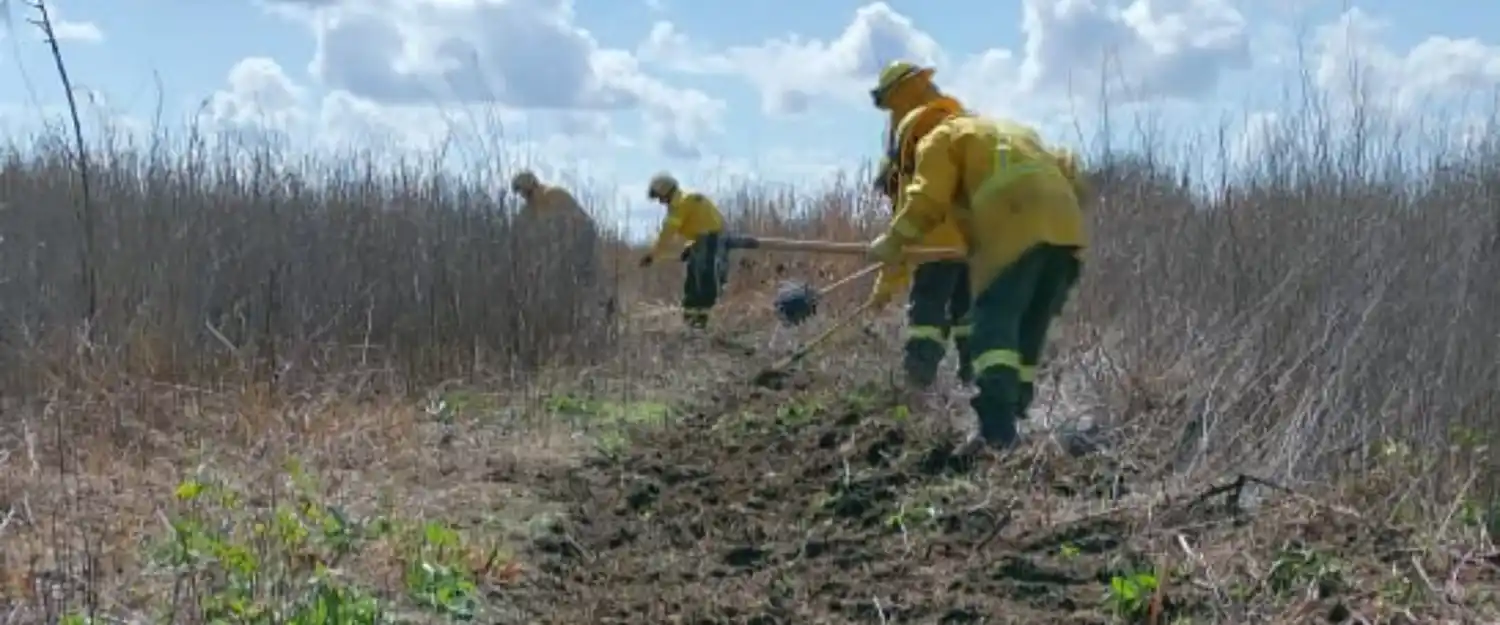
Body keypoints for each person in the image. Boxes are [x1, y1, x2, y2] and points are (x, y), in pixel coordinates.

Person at [866, 105, 1090, 453]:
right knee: (1029, 324)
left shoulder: (940, 138)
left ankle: (996, 433)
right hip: (1066, 228)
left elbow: (927, 197)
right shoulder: (1015, 131)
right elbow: (1073, 172)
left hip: (1017, 220)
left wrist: (894, 240)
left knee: (992, 320)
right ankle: (1015, 418)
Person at [868, 156, 974, 388]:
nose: (889, 198)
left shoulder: (910, 191)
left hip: (937, 253)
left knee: (926, 318)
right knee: (967, 318)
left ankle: (918, 378)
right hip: (970, 253)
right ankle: (974, 380)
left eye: (887, 192)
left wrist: (882, 292)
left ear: (892, 180)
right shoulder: (944, 174)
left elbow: (899, 252)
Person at [639, 172, 727, 330]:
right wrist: (691, 245)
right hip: (706, 240)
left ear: (666, 191)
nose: (660, 202)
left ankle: (700, 323)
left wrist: (652, 255)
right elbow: (702, 224)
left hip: (709, 241)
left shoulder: (681, 204)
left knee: (702, 283)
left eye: (660, 197)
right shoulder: (689, 199)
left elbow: (667, 233)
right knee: (694, 283)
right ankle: (693, 323)